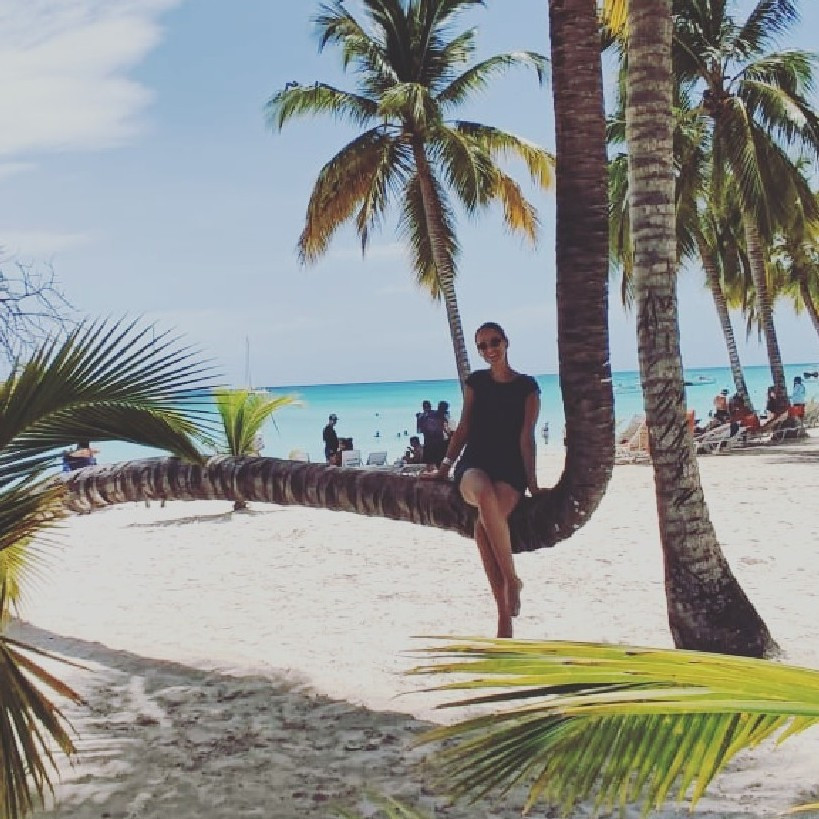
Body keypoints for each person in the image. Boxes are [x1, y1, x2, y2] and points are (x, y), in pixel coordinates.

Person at [423, 321, 540, 639]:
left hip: (510, 469)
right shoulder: (476, 382)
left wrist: (532, 484)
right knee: (484, 495)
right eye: (483, 346)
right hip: (475, 464)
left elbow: (527, 438)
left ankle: (503, 618)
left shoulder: (528, 387)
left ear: (506, 342)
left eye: (494, 342)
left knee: (483, 527)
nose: (489, 349)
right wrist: (444, 468)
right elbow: (463, 428)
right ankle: (512, 580)